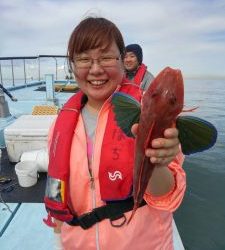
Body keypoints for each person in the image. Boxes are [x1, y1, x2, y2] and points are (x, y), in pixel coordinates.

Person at [44, 16, 186, 250]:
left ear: (123, 61)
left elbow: (165, 196)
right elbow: (57, 183)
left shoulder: (149, 113)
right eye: (83, 59)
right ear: (72, 65)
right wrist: (57, 222)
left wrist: (159, 162)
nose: (96, 69)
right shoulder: (59, 124)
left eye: (107, 57)